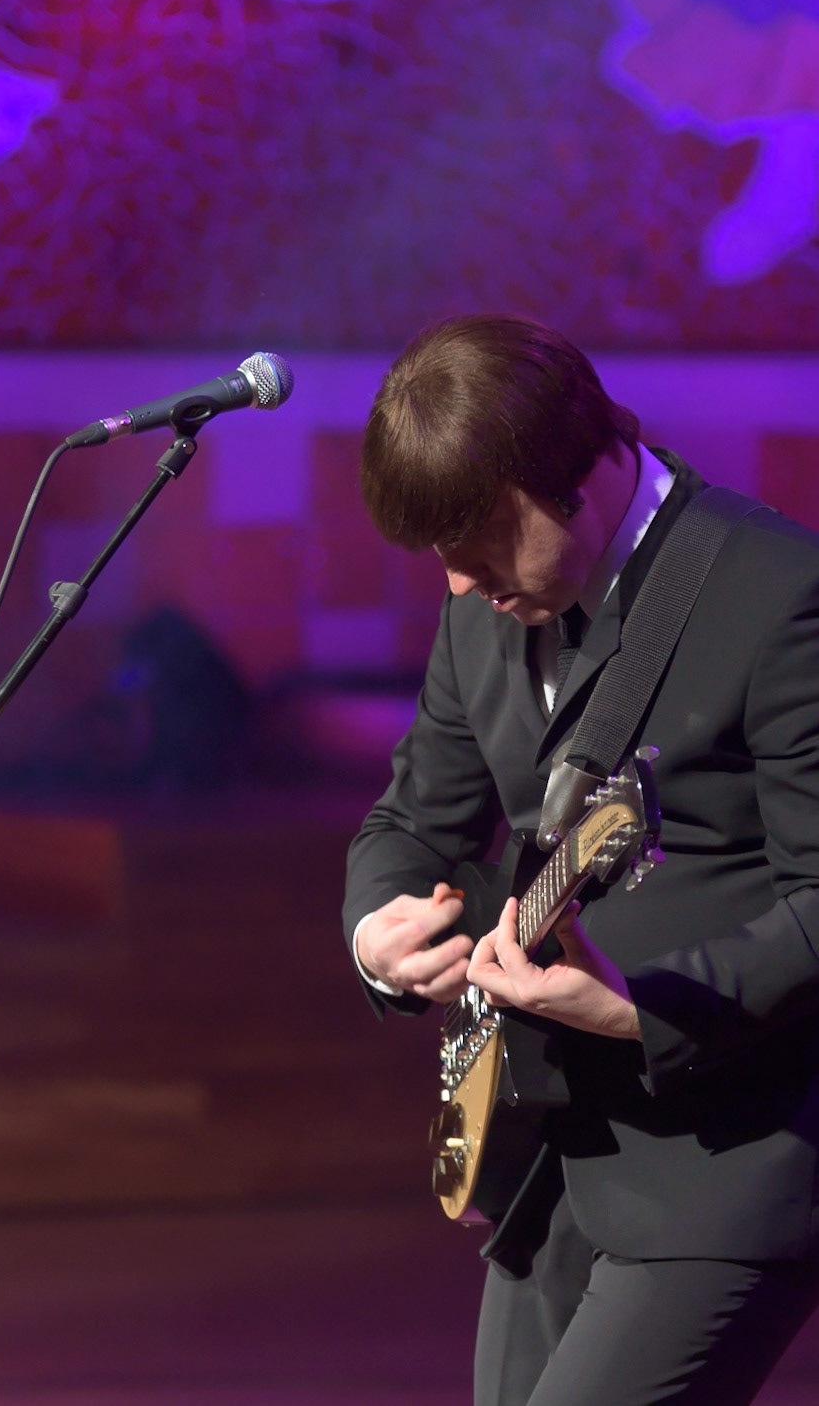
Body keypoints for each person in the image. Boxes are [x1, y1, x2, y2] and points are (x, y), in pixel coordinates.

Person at [343, 313, 819, 1405]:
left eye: (479, 541)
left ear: (580, 474)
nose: (460, 584)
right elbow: (415, 819)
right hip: (551, 1158)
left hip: (727, 1163)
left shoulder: (778, 592)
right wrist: (378, 933)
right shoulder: (481, 613)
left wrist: (636, 1011)